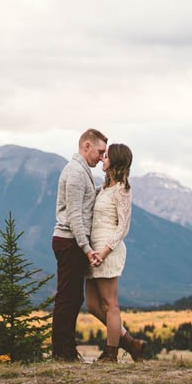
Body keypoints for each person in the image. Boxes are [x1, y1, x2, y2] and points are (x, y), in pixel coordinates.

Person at [51, 128, 107, 361]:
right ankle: (62, 353)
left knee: (73, 297)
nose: (102, 157)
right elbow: (75, 215)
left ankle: (66, 350)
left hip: (72, 241)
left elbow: (84, 201)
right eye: (100, 152)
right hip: (69, 241)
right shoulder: (75, 172)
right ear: (87, 146)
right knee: (67, 297)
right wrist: (87, 249)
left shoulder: (82, 172)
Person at [85, 143, 145, 362]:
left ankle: (111, 354)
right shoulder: (104, 188)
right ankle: (131, 343)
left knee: (111, 304)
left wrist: (104, 252)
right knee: (92, 305)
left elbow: (123, 227)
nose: (103, 159)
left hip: (108, 251)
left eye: (107, 156)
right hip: (93, 253)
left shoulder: (122, 190)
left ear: (116, 161)